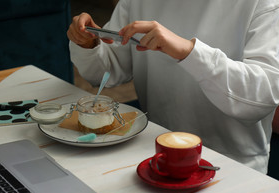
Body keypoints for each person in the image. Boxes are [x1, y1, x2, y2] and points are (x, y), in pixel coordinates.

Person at [67, 0, 279, 174]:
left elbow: (260, 98)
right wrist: (89, 45)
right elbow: (108, 70)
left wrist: (189, 52)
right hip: (154, 154)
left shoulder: (264, 4)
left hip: (232, 166)